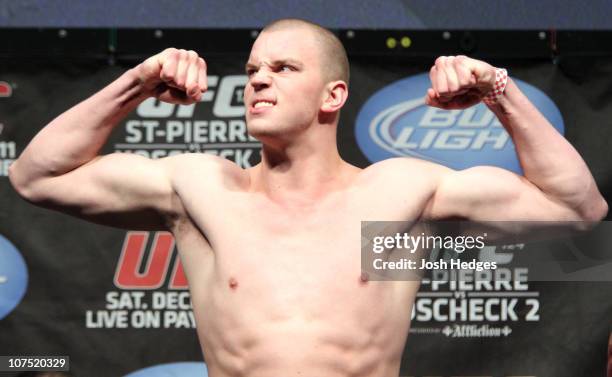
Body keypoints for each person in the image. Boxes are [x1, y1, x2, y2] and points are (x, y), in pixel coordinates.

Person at [9, 18, 607, 377]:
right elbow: (38, 176)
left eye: (284, 67)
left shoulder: (398, 194)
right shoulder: (203, 191)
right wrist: (136, 82)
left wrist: (497, 90)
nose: (259, 79)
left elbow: (577, 206)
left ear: (333, 95)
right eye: (252, 70)